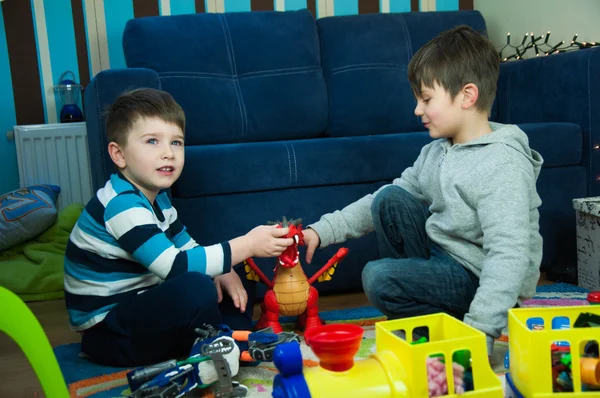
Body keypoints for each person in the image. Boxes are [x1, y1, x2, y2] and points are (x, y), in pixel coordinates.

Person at [303, 25, 543, 354]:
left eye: (426, 99)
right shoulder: (437, 151)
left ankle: (449, 330)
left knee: (378, 276)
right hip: (444, 258)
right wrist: (321, 231)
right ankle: (424, 321)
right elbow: (382, 199)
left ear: (467, 96)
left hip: (479, 273)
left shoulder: (501, 165)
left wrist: (480, 335)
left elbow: (508, 255)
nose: (417, 110)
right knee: (390, 200)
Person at [64, 88, 294, 366]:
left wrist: (226, 269)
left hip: (145, 305)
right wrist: (246, 244)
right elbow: (174, 267)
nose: (168, 154)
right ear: (119, 154)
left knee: (235, 272)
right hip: (110, 332)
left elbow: (187, 245)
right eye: (152, 141)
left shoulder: (158, 199)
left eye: (176, 142)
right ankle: (214, 340)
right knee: (196, 285)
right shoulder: (121, 205)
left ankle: (223, 337)